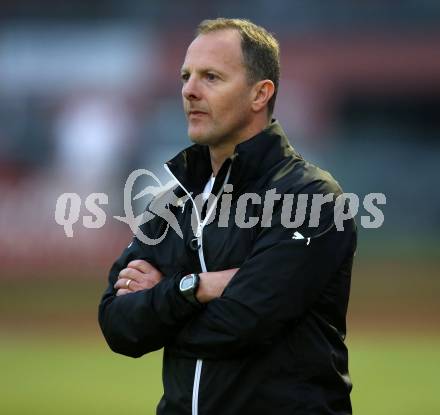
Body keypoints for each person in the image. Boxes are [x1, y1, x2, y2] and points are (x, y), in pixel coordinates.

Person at [99, 18, 357, 415]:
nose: (189, 90)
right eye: (186, 76)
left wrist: (162, 303)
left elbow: (243, 323)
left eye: (211, 77)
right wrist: (195, 287)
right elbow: (118, 324)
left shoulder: (312, 197)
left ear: (260, 94)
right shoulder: (175, 200)